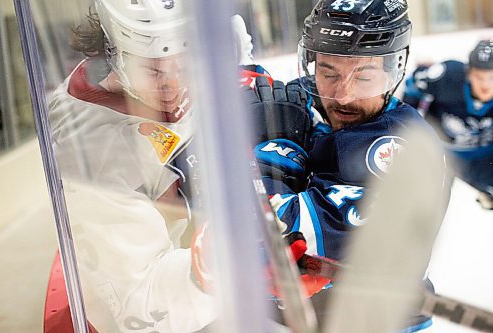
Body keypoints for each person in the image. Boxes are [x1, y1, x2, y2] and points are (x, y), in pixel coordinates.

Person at [246, 0, 449, 331]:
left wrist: (272, 153)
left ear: (393, 71)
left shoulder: (396, 148)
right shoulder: (320, 107)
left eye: (364, 77)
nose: (342, 95)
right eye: (328, 73)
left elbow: (278, 242)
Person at [48, 1, 216, 332]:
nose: (173, 85)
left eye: (185, 65)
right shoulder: (94, 150)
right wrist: (228, 260)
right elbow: (141, 305)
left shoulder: (138, 80)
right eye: (154, 71)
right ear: (114, 54)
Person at [403, 39, 493, 210]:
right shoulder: (447, 75)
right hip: (442, 155)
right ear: (468, 74)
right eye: (479, 77)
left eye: (492, 77)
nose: (485, 85)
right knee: (422, 208)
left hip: (483, 160)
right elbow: (411, 88)